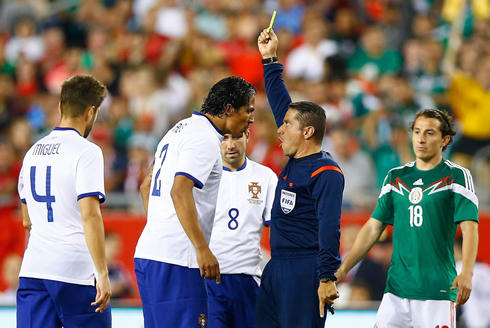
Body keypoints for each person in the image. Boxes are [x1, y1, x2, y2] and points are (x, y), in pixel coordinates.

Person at [335, 109, 479, 327]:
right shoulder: (395, 177)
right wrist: (344, 268)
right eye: (417, 131)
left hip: (436, 289)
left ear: (445, 139)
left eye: (430, 133)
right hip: (396, 289)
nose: (421, 139)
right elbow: (373, 227)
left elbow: (469, 228)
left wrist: (467, 272)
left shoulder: (457, 176)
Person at [134, 76, 256, 328]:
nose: (251, 118)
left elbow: (146, 186)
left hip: (150, 253)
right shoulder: (205, 138)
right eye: (249, 110)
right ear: (229, 109)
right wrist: (201, 248)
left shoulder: (176, 130)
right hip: (178, 260)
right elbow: (179, 191)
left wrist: (162, 229)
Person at [256, 29, 344, 327]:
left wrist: (327, 276)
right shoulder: (295, 157)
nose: (279, 129)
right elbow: (280, 100)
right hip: (276, 267)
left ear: (307, 132)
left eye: (287, 125)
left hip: (304, 270)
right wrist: (270, 59)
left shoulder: (325, 172)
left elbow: (330, 227)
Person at [16, 75, 112, 328]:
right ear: (91, 111)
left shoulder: (32, 152)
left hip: (34, 270)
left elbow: (27, 220)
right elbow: (90, 214)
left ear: (60, 107)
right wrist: (102, 272)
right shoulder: (87, 151)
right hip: (75, 272)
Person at [206, 129, 278, 328]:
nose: (230, 145)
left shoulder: (266, 177)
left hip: (248, 279)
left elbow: (278, 232)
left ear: (247, 135)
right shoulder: (202, 178)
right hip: (210, 280)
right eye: (224, 138)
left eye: (236, 137)